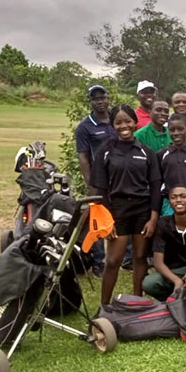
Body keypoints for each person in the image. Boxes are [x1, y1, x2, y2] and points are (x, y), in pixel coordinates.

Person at [89, 105, 161, 305]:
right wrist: (107, 220)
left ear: (135, 122)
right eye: (118, 122)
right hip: (117, 210)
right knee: (113, 261)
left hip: (142, 210)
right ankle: (104, 306)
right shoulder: (106, 151)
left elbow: (156, 187)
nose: (124, 126)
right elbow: (101, 190)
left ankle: (137, 301)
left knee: (139, 258)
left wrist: (153, 218)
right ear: (113, 125)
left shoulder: (146, 152)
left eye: (127, 121)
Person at [74, 84, 115, 276]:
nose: (100, 101)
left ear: (108, 98)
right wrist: (91, 184)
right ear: (90, 101)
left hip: (119, 177)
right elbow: (83, 157)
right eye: (95, 98)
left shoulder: (116, 120)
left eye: (103, 97)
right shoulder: (84, 126)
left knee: (121, 215)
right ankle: (99, 261)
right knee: (97, 218)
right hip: (99, 180)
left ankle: (126, 258)